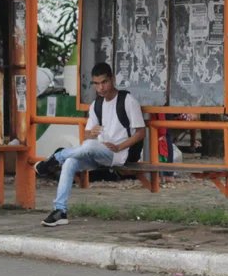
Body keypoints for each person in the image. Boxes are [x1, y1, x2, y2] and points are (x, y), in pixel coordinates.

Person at [34, 62, 145, 227]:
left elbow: (141, 132)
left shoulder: (127, 101)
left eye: (104, 82)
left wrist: (119, 147)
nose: (101, 88)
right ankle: (60, 210)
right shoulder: (96, 105)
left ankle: (56, 157)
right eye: (96, 83)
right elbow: (87, 134)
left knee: (89, 147)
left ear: (112, 80)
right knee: (71, 162)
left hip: (117, 155)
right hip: (96, 152)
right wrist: (91, 133)